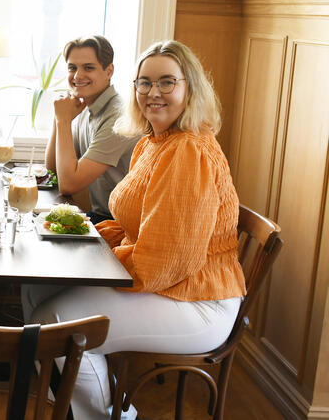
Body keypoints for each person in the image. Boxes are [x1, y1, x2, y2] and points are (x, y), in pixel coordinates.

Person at [23, 40, 246, 420]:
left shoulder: (187, 151)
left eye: (166, 82)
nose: (152, 92)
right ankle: (72, 404)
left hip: (196, 301)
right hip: (166, 282)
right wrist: (91, 242)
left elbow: (166, 261)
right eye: (144, 82)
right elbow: (132, 227)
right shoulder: (153, 142)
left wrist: (98, 265)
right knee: (36, 286)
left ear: (190, 89)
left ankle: (108, 416)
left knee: (58, 324)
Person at [45, 35, 138, 224]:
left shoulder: (118, 116)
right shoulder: (83, 107)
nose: (78, 76)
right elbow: (53, 170)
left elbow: (68, 185)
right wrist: (59, 119)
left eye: (88, 67)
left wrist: (63, 121)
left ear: (109, 71)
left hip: (120, 224)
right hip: (101, 215)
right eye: (72, 68)